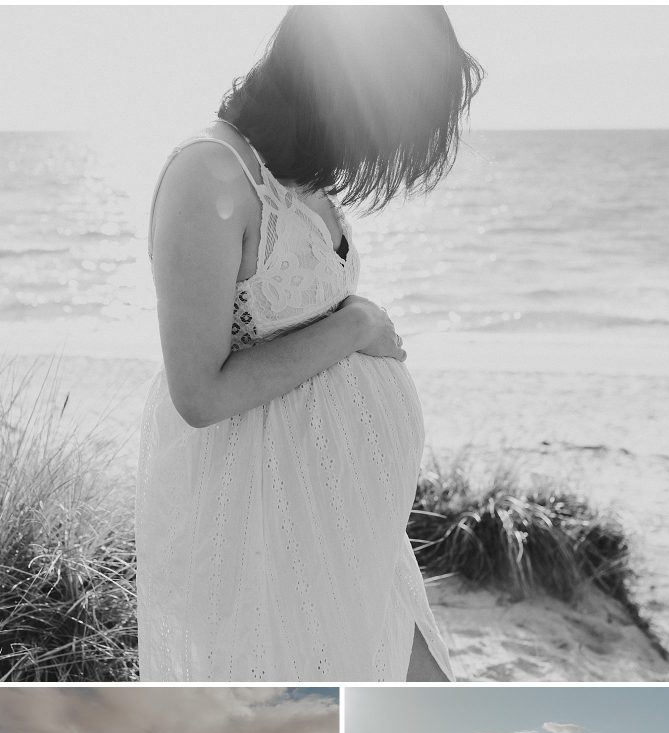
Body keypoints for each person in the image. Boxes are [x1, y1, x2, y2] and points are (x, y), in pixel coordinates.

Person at [136, 5, 483, 682]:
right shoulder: (209, 174)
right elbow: (199, 393)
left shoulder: (298, 179)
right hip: (265, 528)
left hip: (345, 525)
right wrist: (355, 326)